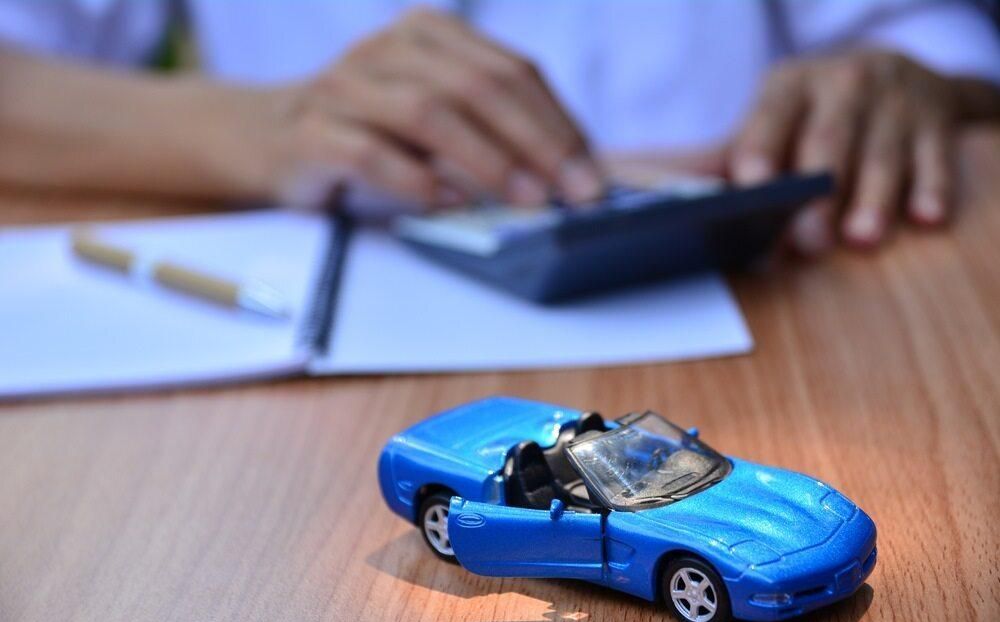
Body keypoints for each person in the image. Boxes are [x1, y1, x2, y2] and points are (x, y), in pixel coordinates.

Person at [0, 0, 997, 255]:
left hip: (798, 298)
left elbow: (927, 40)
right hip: (310, 384)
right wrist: (260, 128)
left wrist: (916, 83)